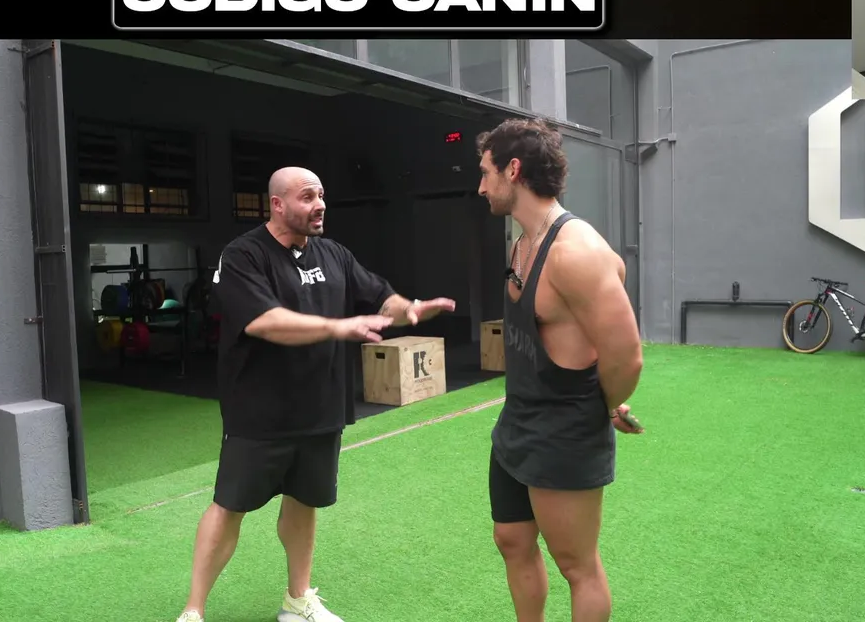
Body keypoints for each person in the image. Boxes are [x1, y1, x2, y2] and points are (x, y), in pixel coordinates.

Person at [175, 167, 456, 622]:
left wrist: (409, 308)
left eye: (321, 195)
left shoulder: (334, 254)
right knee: (229, 507)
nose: (320, 204)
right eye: (307, 196)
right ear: (277, 205)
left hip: (321, 409)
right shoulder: (244, 255)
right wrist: (337, 326)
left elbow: (380, 297)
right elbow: (264, 321)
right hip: (259, 412)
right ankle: (194, 610)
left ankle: (297, 599)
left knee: (304, 501)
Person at [475, 118, 645, 622]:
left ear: (513, 170)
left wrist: (605, 404)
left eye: (485, 173)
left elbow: (627, 355)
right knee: (510, 538)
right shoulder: (522, 242)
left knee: (576, 565)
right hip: (518, 421)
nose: (481, 186)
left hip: (565, 430)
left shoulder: (576, 252)